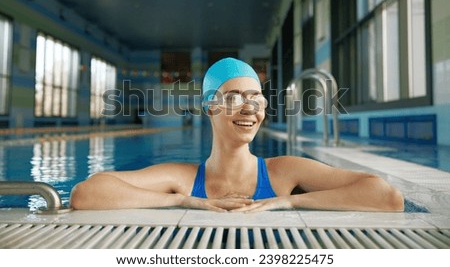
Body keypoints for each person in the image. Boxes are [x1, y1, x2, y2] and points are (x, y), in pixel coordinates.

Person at [70, 58, 404, 212]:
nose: (249, 109)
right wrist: (183, 200)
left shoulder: (283, 172)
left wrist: (287, 200)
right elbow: (87, 194)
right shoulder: (182, 179)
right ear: (208, 107)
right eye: (233, 98)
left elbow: (386, 196)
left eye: (255, 98)